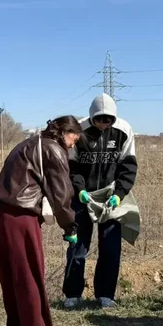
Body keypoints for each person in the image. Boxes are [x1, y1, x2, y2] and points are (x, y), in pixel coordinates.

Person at [0, 116, 81, 326]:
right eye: (73, 139)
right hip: (21, 215)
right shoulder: (53, 150)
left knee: (11, 272)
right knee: (29, 271)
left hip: (0, 212)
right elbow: (62, 195)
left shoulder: (30, 143)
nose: (73, 145)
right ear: (63, 132)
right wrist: (70, 227)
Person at [64, 93, 137, 309]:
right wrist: (80, 190)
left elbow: (128, 166)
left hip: (110, 196)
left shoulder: (124, 131)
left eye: (108, 120)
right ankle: (72, 294)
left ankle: (105, 294)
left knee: (111, 248)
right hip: (83, 197)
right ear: (91, 116)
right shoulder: (80, 131)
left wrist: (119, 194)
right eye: (99, 119)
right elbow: (72, 166)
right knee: (77, 246)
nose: (104, 124)